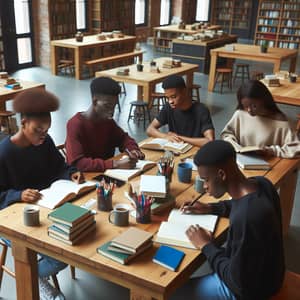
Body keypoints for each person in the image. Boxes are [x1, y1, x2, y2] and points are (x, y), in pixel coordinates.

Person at [0, 89, 85, 300]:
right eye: (38, 129)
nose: (43, 135)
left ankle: (30, 276)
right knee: (59, 257)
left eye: (46, 130)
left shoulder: (44, 143)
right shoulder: (4, 153)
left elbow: (59, 166)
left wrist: (71, 173)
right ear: (23, 123)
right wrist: (18, 195)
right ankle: (34, 282)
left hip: (46, 210)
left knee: (72, 243)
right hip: (10, 219)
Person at [174, 140, 284, 300]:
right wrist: (210, 208)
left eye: (206, 179)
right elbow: (238, 203)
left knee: (171, 294)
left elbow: (238, 283)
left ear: (222, 174)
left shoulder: (245, 218)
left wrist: (207, 246)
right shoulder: (262, 184)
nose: (204, 186)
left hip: (251, 291)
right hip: (272, 274)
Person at [65, 77, 145, 172]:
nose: (112, 112)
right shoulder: (75, 125)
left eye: (114, 107)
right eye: (107, 106)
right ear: (95, 102)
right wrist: (114, 164)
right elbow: (78, 164)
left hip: (105, 174)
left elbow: (123, 138)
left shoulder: (107, 121)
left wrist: (133, 149)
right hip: (84, 178)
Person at [221, 80, 300, 158]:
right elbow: (226, 134)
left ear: (264, 100)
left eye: (254, 106)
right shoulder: (240, 114)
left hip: (268, 166)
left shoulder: (281, 122)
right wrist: (234, 144)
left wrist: (270, 151)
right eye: (245, 106)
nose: (249, 110)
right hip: (240, 162)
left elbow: (295, 149)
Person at [146, 75, 214, 147]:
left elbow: (210, 141)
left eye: (173, 97)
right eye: (167, 98)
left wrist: (179, 138)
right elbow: (150, 129)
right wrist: (166, 136)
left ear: (184, 91)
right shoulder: (168, 107)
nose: (170, 101)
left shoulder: (201, 110)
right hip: (176, 150)